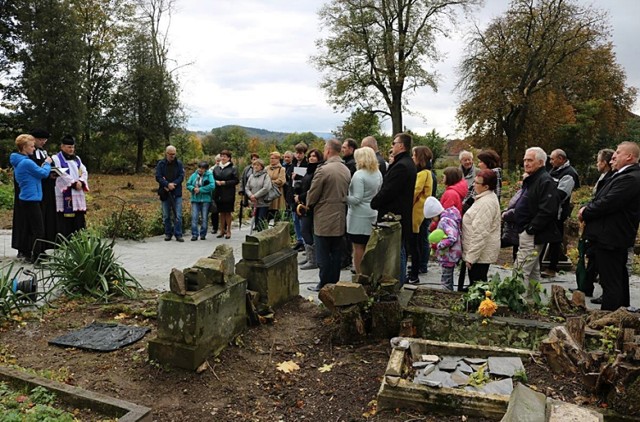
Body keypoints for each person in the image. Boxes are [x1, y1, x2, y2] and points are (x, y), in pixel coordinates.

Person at [579, 141, 640, 311]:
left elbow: (608, 203)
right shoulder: (622, 175)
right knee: (617, 278)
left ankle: (609, 319)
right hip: (609, 235)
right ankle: (620, 313)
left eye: (618, 152)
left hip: (611, 237)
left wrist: (586, 211)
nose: (614, 155)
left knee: (610, 281)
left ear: (629, 156)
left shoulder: (630, 178)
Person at [371, 133, 417, 285]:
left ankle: (397, 282)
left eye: (393, 143)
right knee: (398, 249)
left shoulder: (402, 166)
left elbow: (389, 190)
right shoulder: (405, 163)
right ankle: (397, 280)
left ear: (401, 146)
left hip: (394, 214)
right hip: (399, 213)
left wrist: (375, 202)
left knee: (397, 251)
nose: (391, 147)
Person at [306, 139, 351, 291]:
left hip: (324, 215)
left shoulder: (323, 170)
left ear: (328, 151)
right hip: (340, 215)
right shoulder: (346, 169)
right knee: (336, 252)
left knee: (323, 252)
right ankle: (334, 282)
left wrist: (308, 204)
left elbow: (313, 194)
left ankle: (323, 283)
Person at [513, 147, 561, 286]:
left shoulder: (545, 181)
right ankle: (532, 300)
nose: (526, 163)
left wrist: (531, 229)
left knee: (520, 270)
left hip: (534, 234)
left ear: (540, 162)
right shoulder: (533, 179)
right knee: (533, 270)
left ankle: (518, 301)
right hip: (527, 231)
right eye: (525, 160)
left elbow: (548, 210)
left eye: (530, 160)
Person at [10, 134, 53, 263]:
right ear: (24, 147)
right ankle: (36, 257)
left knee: (32, 227)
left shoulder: (19, 161)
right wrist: (47, 163)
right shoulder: (27, 162)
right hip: (31, 199)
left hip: (27, 198)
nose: (34, 149)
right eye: (31, 146)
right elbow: (43, 174)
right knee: (38, 229)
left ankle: (30, 253)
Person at [582, 149, 614, 300]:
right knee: (592, 256)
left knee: (600, 260)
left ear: (606, 163)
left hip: (602, 226)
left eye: (599, 161)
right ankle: (586, 286)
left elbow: (602, 201)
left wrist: (588, 211)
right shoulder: (602, 177)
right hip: (593, 222)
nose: (597, 164)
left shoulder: (611, 178)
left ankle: (603, 291)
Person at [543, 149, 580, 278]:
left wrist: (545, 196)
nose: (551, 162)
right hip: (548, 209)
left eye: (553, 159)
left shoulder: (569, 174)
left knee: (555, 240)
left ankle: (552, 268)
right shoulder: (555, 169)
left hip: (557, 212)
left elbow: (561, 194)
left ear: (561, 158)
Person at [461, 169, 501, 285]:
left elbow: (480, 233)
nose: (473, 185)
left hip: (479, 255)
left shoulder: (486, 203)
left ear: (486, 186)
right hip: (479, 253)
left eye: (477, 183)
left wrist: (471, 257)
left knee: (478, 285)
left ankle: (482, 304)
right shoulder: (484, 198)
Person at [346, 146, 382, 274]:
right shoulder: (377, 173)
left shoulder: (359, 175)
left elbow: (356, 198)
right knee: (369, 246)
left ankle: (360, 273)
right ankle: (369, 272)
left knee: (358, 246)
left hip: (358, 215)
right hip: (372, 213)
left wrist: (343, 198)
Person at [52, 135, 89, 239]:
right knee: (64, 218)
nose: (71, 149)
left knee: (78, 218)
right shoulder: (56, 158)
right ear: (62, 147)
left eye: (73, 147)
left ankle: (79, 239)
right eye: (69, 147)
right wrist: (73, 183)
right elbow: (60, 172)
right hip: (64, 192)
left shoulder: (77, 158)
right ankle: (64, 240)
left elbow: (84, 171)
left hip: (77, 193)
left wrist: (81, 181)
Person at [407, 146, 433, 283]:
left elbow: (415, 191)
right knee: (415, 243)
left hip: (416, 212)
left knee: (414, 243)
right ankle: (414, 271)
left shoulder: (423, 174)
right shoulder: (427, 173)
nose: (412, 158)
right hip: (419, 211)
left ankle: (414, 274)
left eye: (414, 155)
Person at [423, 197, 462, 291]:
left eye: (432, 218)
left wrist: (438, 245)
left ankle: (447, 296)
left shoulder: (445, 221)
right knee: (448, 277)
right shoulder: (450, 216)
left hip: (449, 255)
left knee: (446, 280)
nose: (433, 220)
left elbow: (452, 237)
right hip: (452, 253)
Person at [295, 149, 323, 270]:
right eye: (310, 156)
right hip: (303, 202)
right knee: (305, 230)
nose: (311, 158)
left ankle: (314, 259)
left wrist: (300, 196)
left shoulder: (318, 171)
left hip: (310, 204)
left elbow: (313, 189)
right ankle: (310, 256)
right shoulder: (309, 170)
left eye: (314, 156)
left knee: (306, 229)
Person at [156, 145, 185, 242]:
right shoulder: (161, 164)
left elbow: (181, 176)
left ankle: (178, 234)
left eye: (174, 154)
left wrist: (174, 184)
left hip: (176, 192)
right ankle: (168, 233)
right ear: (166, 153)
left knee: (178, 214)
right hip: (165, 192)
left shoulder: (179, 164)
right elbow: (158, 177)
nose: (172, 156)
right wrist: (167, 184)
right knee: (166, 215)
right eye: (170, 154)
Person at [213, 150, 239, 239]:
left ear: (229, 158)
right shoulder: (216, 168)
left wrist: (225, 183)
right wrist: (216, 182)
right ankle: (222, 230)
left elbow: (236, 180)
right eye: (222, 156)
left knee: (228, 212)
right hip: (218, 192)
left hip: (228, 193)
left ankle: (228, 230)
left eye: (225, 156)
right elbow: (212, 178)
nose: (223, 158)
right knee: (221, 212)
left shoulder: (233, 168)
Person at [187, 161, 215, 241]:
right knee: (194, 217)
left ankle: (203, 234)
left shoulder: (209, 175)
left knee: (204, 217)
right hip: (195, 199)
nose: (200, 169)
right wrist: (193, 188)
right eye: (199, 167)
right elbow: (188, 184)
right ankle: (194, 234)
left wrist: (201, 189)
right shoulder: (194, 175)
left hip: (205, 199)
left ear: (206, 169)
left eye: (202, 168)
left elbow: (212, 186)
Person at [288, 143, 308, 251]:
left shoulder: (307, 163)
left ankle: (305, 242)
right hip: (293, 192)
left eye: (300, 153)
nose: (298, 155)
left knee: (301, 218)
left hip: (301, 193)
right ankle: (299, 239)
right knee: (295, 218)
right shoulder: (294, 163)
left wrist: (298, 176)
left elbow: (307, 178)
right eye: (296, 153)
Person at [245, 159, 272, 231]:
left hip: (263, 202)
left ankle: (262, 236)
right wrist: (251, 195)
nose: (256, 167)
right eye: (254, 165)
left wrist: (256, 196)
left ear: (262, 167)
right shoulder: (251, 176)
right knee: (255, 220)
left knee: (261, 220)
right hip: (254, 202)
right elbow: (247, 187)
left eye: (258, 165)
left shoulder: (266, 176)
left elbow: (266, 188)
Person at [266, 151, 286, 224]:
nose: (272, 160)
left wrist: (270, 182)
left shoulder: (281, 169)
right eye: (271, 158)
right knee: (266, 215)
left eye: (274, 158)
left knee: (277, 214)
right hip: (267, 194)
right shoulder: (267, 168)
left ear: (278, 159)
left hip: (277, 194)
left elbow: (281, 181)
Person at [210, 154, 222, 234]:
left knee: (223, 210)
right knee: (214, 210)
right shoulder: (211, 169)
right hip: (214, 191)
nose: (218, 162)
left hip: (222, 191)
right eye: (217, 160)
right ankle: (215, 227)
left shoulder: (224, 169)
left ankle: (223, 227)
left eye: (219, 160)